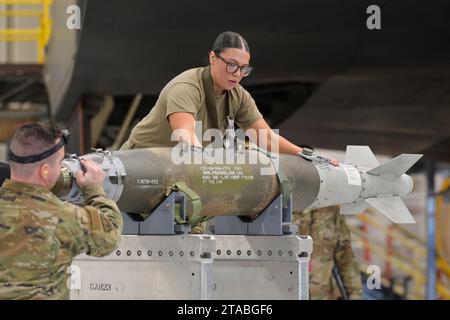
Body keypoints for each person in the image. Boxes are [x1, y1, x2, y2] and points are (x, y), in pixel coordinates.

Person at [121, 31, 337, 232]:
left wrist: (306, 156)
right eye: (232, 65)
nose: (238, 74)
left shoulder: (238, 96)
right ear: (213, 58)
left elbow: (266, 137)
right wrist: (209, 168)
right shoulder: (186, 86)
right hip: (141, 172)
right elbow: (184, 132)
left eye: (244, 69)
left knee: (191, 254)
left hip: (181, 182)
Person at [0, 122, 123, 299]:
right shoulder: (64, 217)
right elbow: (109, 237)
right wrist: (94, 189)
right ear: (44, 170)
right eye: (60, 163)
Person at [293, 206, 363, 300]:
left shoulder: (331, 212)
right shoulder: (283, 208)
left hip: (324, 294)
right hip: (288, 291)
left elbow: (345, 256)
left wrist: (355, 295)